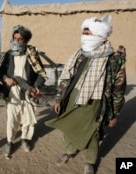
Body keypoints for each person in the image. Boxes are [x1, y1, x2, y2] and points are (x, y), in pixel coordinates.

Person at [45, 14, 127, 174]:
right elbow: (66, 76)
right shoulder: (79, 53)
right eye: (84, 32)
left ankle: (90, 161)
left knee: (92, 132)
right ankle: (69, 151)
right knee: (68, 126)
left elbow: (119, 87)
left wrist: (114, 113)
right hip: (72, 96)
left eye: (87, 33)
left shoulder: (112, 58)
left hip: (94, 100)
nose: (84, 36)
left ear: (99, 35)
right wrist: (58, 98)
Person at [0, 25, 47, 158]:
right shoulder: (8, 55)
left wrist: (36, 87)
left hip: (28, 92)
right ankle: (9, 142)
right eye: (15, 38)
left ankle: (25, 139)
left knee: (27, 118)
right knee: (12, 120)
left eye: (20, 39)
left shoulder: (32, 54)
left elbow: (41, 74)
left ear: (25, 41)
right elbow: (0, 71)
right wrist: (6, 79)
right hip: (12, 93)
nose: (17, 41)